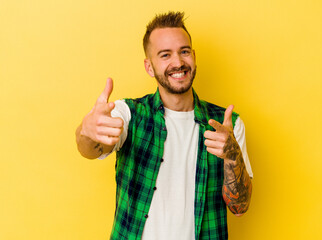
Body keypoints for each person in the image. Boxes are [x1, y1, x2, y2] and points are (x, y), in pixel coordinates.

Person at [75, 11, 253, 240]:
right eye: (165, 55)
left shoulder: (227, 125)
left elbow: (240, 207)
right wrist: (86, 131)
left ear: (194, 56)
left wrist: (232, 156)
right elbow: (88, 149)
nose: (178, 62)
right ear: (149, 67)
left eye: (184, 52)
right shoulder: (128, 114)